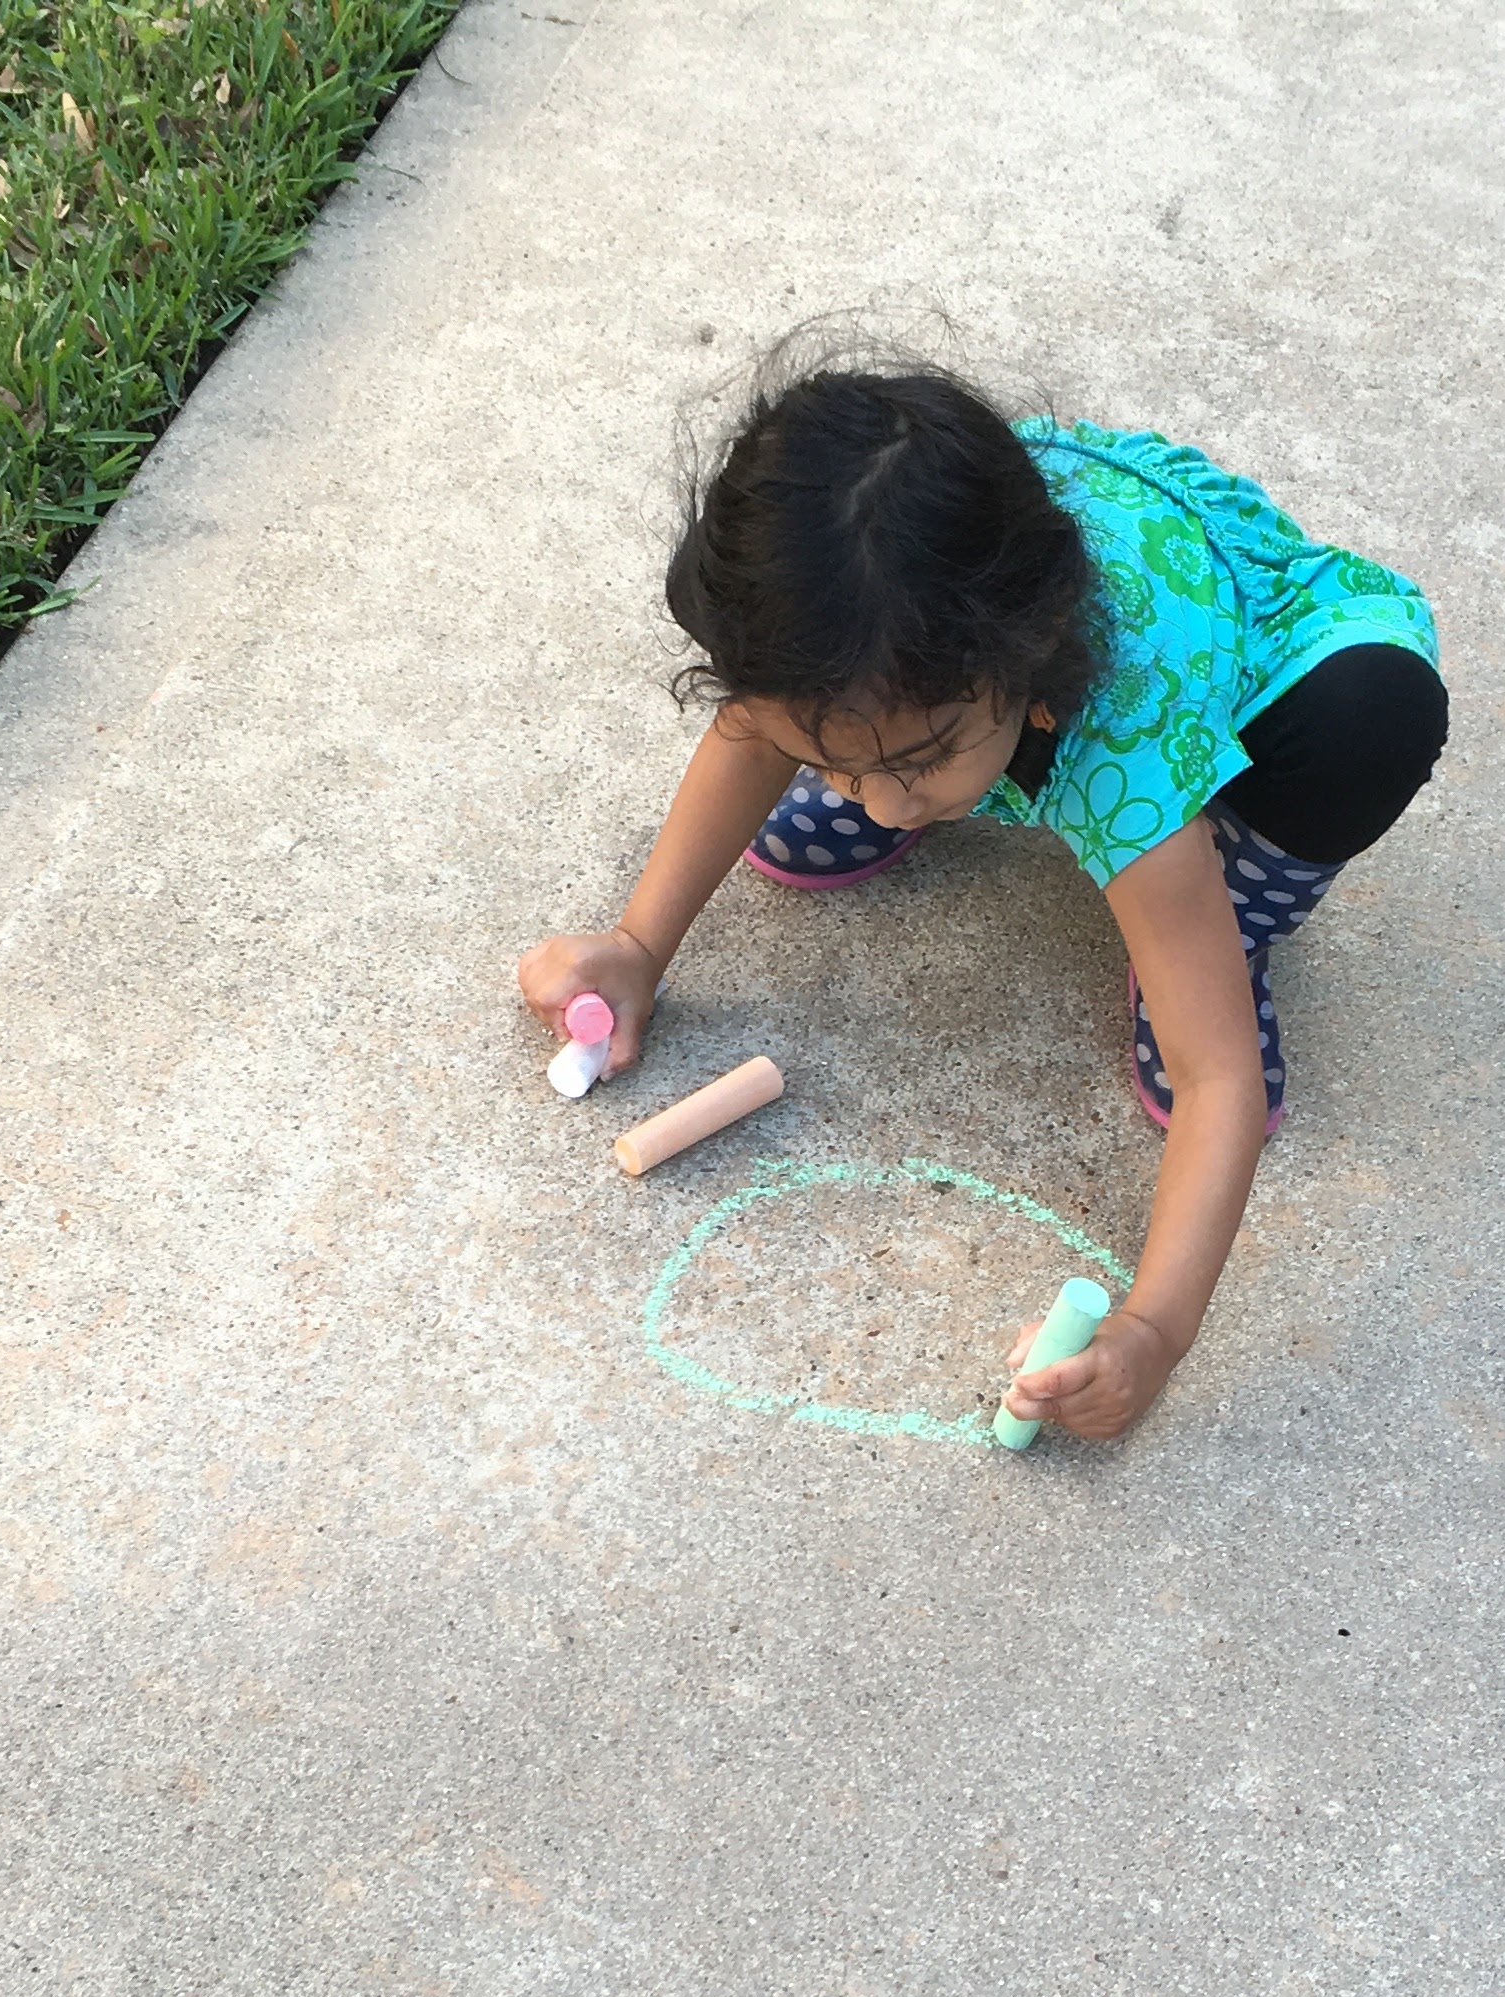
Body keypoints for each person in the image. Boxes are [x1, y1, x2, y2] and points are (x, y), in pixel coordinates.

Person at [518, 355, 1447, 1440]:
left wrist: (1153, 1329)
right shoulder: (899, 631)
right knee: (862, 696)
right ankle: (908, 746)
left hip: (1279, 659)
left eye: (911, 763)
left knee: (1366, 717)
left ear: (1029, 674)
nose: (879, 799)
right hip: (962, 645)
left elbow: (1219, 1077)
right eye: (835, 764)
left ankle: (1225, 915)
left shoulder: (1126, 745)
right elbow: (756, 730)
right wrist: (639, 943)